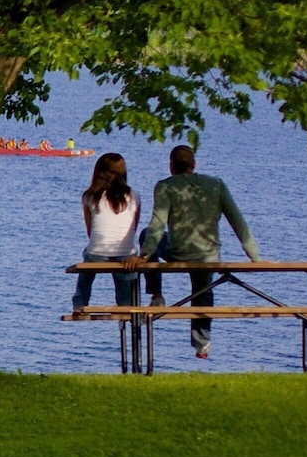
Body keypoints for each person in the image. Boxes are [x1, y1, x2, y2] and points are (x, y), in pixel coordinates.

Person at [123, 145, 262, 359]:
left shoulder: (165, 187)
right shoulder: (216, 185)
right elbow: (238, 221)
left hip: (177, 251)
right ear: (194, 165)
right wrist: (254, 256)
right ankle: (202, 343)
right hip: (208, 254)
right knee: (203, 291)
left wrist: (144, 255)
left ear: (171, 166)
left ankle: (157, 295)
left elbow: (157, 224)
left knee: (145, 234)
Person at [73, 153, 141, 311]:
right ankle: (127, 305)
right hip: (126, 254)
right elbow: (133, 228)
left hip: (98, 252)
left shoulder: (89, 196)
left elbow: (90, 231)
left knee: (88, 259)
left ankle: (79, 303)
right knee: (128, 266)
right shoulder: (134, 196)